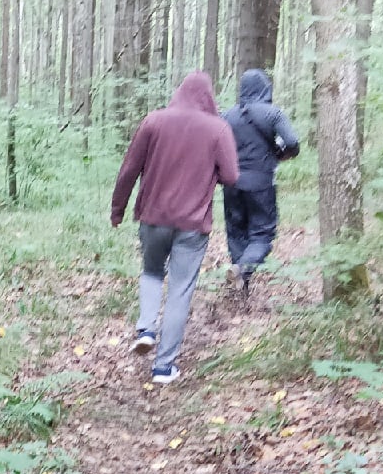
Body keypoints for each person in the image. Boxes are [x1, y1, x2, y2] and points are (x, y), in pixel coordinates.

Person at [110, 70, 239, 385]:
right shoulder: (218, 128)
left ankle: (145, 329)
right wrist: (208, 175)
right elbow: (232, 176)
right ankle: (164, 367)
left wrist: (118, 208)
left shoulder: (153, 121)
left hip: (153, 218)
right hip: (193, 225)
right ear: (208, 97)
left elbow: (129, 169)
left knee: (152, 272)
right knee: (180, 290)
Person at [222, 69, 301, 295]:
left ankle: (240, 284)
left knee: (236, 232)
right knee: (263, 234)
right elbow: (293, 143)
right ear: (265, 88)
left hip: (232, 183)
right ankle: (243, 269)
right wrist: (280, 155)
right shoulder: (272, 114)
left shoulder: (227, 116)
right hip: (261, 183)